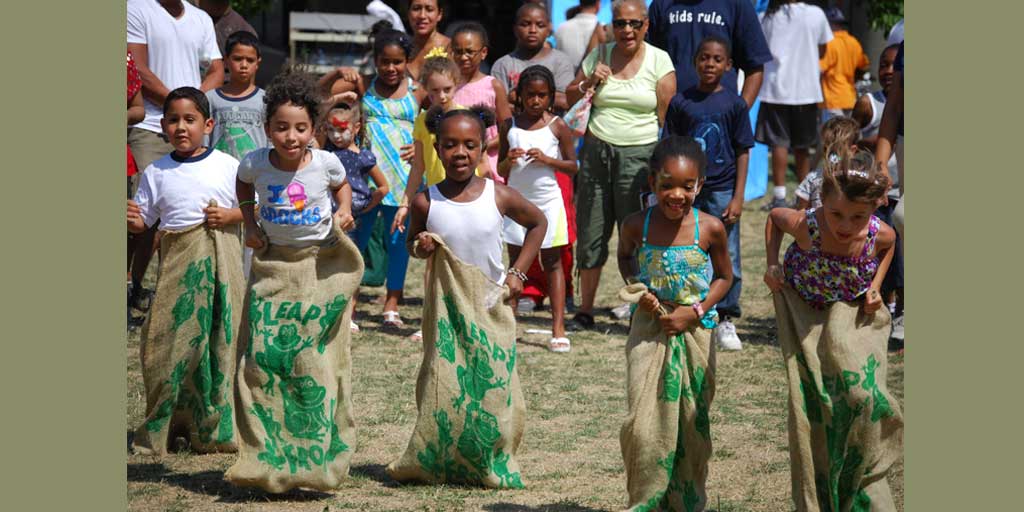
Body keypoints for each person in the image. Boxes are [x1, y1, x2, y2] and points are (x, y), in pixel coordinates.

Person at [388, 107, 545, 488]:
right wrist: (422, 245)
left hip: (490, 304)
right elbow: (413, 244)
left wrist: (518, 274)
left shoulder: (500, 195)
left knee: (491, 384)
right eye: (450, 144)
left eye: (469, 145)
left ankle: (488, 457)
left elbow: (538, 222)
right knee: (446, 384)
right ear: (437, 150)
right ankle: (442, 456)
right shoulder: (427, 202)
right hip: (445, 309)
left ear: (483, 149)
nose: (460, 152)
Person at [227, 69, 361, 493]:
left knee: (308, 355)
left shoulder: (325, 163)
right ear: (267, 129)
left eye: (300, 128)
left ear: (313, 129)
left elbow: (342, 187)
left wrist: (342, 212)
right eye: (281, 128)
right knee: (261, 358)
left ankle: (310, 450)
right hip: (272, 265)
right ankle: (263, 450)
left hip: (315, 265)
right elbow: (243, 184)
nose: (290, 136)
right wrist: (249, 221)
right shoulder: (255, 163)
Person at [764, 150, 902, 511]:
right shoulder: (807, 226)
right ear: (822, 202)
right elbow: (774, 219)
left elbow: (890, 246)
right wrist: (771, 264)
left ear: (874, 209)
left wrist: (877, 285)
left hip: (848, 303)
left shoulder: (877, 233)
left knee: (859, 391)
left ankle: (862, 469)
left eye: (858, 216)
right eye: (837, 213)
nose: (845, 225)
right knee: (815, 392)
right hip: (805, 304)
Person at [616, 136, 733, 511]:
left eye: (687, 186)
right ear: (652, 183)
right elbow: (624, 257)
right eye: (667, 185)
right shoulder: (637, 225)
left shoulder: (710, 228)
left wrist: (694, 312)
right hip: (649, 330)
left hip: (696, 332)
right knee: (643, 422)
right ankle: (646, 498)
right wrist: (639, 289)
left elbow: (724, 279)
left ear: (700, 185)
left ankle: (685, 501)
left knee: (690, 421)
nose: (676, 194)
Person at [127, 87, 243, 455]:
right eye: (173, 120)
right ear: (161, 125)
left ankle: (215, 428)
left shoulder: (228, 165)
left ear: (207, 125)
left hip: (223, 271)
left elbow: (250, 209)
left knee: (220, 342)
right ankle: (173, 424)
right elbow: (144, 223)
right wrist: (132, 222)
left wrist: (230, 216)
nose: (181, 127)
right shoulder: (156, 171)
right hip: (178, 273)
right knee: (170, 346)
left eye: (190, 120)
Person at [565, 0, 676, 330]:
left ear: (646, 25)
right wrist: (589, 83)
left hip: (640, 156)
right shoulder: (598, 55)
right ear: (610, 26)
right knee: (591, 229)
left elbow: (667, 119)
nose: (627, 30)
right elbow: (570, 96)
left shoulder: (660, 60)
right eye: (620, 24)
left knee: (638, 233)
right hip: (597, 152)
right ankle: (585, 310)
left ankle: (638, 304)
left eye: (634, 24)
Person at [127, 0, 224, 315]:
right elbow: (137, 67)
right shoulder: (137, 9)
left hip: (189, 128)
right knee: (139, 217)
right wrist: (179, 107)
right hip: (150, 127)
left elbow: (216, 69)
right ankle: (130, 285)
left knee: (178, 214)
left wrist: (190, 107)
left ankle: (154, 289)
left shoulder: (201, 18)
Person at [325, 29, 425, 329]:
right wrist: (334, 75)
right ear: (375, 60)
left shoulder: (417, 90)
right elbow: (322, 100)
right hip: (361, 181)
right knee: (355, 242)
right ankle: (348, 305)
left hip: (403, 178)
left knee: (397, 243)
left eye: (398, 62)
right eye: (385, 61)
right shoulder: (363, 85)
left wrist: (421, 144)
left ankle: (391, 304)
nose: (391, 68)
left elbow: (437, 118)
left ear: (407, 61)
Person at [664, 36, 754, 351]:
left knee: (726, 252)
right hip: (687, 191)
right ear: (695, 62)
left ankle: (725, 316)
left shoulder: (735, 104)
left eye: (717, 59)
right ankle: (688, 307)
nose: (710, 64)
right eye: (704, 58)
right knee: (686, 248)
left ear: (728, 65)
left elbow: (743, 150)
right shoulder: (681, 102)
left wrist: (738, 196)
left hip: (722, 188)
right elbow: (671, 147)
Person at [498, 65, 578, 353]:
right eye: (530, 95)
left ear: (550, 97)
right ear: (519, 95)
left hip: (547, 203)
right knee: (515, 262)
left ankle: (558, 328)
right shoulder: (510, 125)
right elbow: (501, 168)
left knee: (552, 262)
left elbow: (573, 166)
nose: (535, 101)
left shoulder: (557, 125)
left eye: (542, 95)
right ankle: (509, 320)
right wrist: (509, 158)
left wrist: (548, 160)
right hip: (516, 202)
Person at [756, 0, 833, 210]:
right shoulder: (816, 14)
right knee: (802, 147)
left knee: (779, 143)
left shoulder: (766, 17)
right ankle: (804, 195)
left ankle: (779, 195)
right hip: (805, 90)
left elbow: (758, 48)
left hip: (775, 89)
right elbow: (823, 50)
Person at [322, 99, 390, 333]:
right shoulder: (324, 154)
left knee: (351, 263)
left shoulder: (363, 157)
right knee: (327, 263)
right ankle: (329, 311)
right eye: (331, 130)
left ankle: (349, 314)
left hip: (353, 220)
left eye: (342, 129)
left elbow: (383, 188)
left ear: (356, 128)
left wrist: (365, 206)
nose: (336, 136)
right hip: (327, 217)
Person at [855, 43, 903, 346]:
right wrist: (881, 163)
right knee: (894, 230)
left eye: (891, 65)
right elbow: (849, 134)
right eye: (883, 66)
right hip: (885, 189)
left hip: (897, 192)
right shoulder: (869, 102)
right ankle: (892, 308)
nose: (887, 71)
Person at [646, 0, 773, 109]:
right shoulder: (662, 4)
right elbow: (646, 62)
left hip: (720, 119)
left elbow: (755, 67)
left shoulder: (737, 4)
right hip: (672, 117)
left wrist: (739, 116)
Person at [450, 22, 513, 181]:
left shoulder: (492, 85)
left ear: (483, 52)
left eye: (470, 52)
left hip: (487, 164)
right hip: (454, 162)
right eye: (458, 52)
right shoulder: (447, 87)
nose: (464, 57)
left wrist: (484, 146)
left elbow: (507, 127)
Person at [492, 3, 576, 113]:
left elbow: (564, 101)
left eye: (540, 25)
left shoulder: (561, 61)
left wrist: (516, 96)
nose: (532, 30)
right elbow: (499, 104)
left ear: (549, 29)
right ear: (515, 29)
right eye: (525, 24)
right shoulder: (502, 65)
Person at [206, 31, 267, 162]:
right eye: (238, 59)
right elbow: (204, 140)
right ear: (226, 61)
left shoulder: (266, 100)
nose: (244, 65)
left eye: (250, 60)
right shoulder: (210, 99)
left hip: (255, 173)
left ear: (258, 63)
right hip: (219, 172)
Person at [793, 116, 860, 210]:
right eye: (825, 149)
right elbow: (801, 212)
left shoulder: (858, 179)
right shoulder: (813, 178)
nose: (830, 156)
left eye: (836, 151)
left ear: (852, 151)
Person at [818, 7, 869, 121]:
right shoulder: (854, 42)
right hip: (850, 97)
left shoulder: (828, 43)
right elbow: (864, 65)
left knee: (833, 136)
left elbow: (819, 69)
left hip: (832, 99)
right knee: (848, 134)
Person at [406, 0, 451, 81]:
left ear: (439, 14)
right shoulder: (401, 48)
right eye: (416, 9)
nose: (422, 16)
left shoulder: (450, 48)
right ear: (408, 13)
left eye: (429, 9)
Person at [554, 0, 602, 72]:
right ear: (598, 4)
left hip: (564, 80)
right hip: (592, 79)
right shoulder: (603, 30)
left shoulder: (561, 28)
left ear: (580, 4)